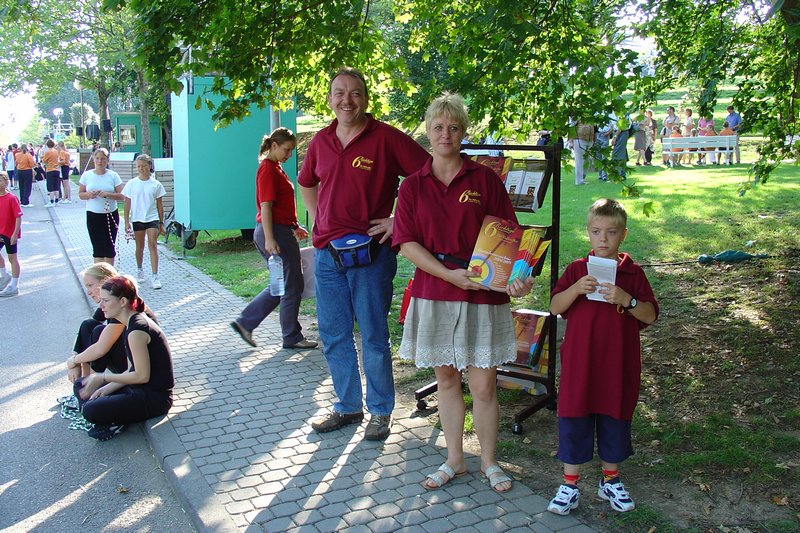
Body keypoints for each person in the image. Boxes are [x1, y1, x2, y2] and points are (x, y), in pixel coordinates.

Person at [394, 93, 534, 492]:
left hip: (481, 290)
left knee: (484, 384)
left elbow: (508, 239)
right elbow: (407, 244)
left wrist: (517, 278)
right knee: (446, 379)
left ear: (463, 132)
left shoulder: (485, 180)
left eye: (453, 127)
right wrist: (447, 275)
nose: (445, 134)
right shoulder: (413, 186)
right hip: (436, 289)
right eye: (438, 127)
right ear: (428, 130)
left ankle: (490, 461)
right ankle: (455, 460)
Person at [298, 66, 429, 440]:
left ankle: (381, 411)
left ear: (366, 99)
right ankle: (347, 405)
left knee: (372, 334)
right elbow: (307, 182)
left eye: (355, 93)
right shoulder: (321, 141)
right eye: (339, 93)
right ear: (329, 99)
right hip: (327, 255)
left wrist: (396, 221)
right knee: (334, 333)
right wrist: (319, 217)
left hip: (371, 253)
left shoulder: (386, 138)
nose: (346, 100)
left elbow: (428, 175)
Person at [546, 199, 658, 516]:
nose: (603, 239)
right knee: (574, 417)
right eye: (596, 232)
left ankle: (610, 479)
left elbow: (649, 315)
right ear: (588, 234)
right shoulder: (577, 271)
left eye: (611, 232)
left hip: (617, 364)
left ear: (623, 234)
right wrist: (576, 290)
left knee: (614, 417)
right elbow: (555, 307)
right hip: (580, 364)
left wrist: (627, 299)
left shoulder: (632, 274)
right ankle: (569, 484)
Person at [230, 128, 317, 350]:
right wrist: (270, 238)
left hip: (280, 230)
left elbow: (279, 206)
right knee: (291, 284)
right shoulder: (268, 170)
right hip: (274, 232)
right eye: (286, 150)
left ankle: (245, 323)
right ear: (274, 146)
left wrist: (294, 226)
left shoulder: (275, 168)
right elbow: (266, 206)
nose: (289, 154)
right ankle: (291, 337)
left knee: (283, 284)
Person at [75, 275, 174, 441]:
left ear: (122, 302)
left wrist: (102, 377)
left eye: (106, 301)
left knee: (91, 410)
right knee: (81, 386)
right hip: (138, 387)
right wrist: (108, 387)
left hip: (155, 397)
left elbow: (142, 376)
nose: (101, 305)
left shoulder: (137, 330)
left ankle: (115, 420)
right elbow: (131, 370)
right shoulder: (130, 323)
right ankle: (112, 414)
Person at [65, 263, 128, 387]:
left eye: (90, 285)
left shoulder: (120, 302)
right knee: (88, 325)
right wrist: (75, 361)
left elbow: (101, 349)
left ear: (105, 281)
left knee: (99, 332)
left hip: (135, 368)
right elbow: (86, 331)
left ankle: (91, 387)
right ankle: (84, 383)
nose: (88, 293)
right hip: (126, 359)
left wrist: (73, 361)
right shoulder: (110, 300)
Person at [122, 154, 167, 289]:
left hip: (152, 218)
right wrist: (126, 222)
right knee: (139, 246)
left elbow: (160, 204)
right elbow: (127, 203)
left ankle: (155, 275)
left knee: (152, 244)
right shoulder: (132, 184)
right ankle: (140, 269)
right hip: (137, 218)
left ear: (149, 166)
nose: (141, 169)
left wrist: (161, 222)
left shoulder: (156, 184)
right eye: (139, 166)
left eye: (144, 166)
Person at [78, 148, 125, 265]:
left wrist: (108, 194)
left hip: (110, 214)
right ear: (94, 159)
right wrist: (89, 194)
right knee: (98, 247)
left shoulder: (113, 175)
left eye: (103, 159)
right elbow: (80, 194)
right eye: (97, 158)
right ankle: (98, 276)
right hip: (93, 215)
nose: (100, 161)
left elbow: (123, 195)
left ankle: (109, 275)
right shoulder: (87, 175)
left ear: (107, 160)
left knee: (109, 247)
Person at [0, 172, 22, 297]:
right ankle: (4, 276)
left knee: (12, 258)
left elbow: (18, 217)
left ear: (6, 182)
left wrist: (15, 234)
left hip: (10, 233)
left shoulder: (11, 198)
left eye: (0, 181)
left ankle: (14, 285)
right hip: (0, 231)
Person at [42, 139, 61, 207]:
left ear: (47, 145)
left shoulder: (48, 152)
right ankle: (57, 201)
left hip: (50, 170)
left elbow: (44, 161)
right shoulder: (56, 151)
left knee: (50, 186)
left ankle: (51, 201)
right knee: (56, 186)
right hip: (57, 169)